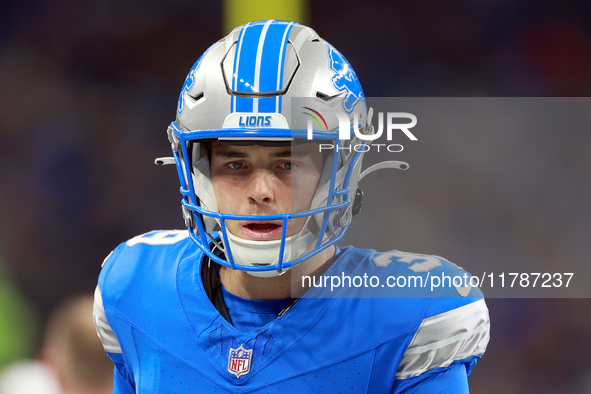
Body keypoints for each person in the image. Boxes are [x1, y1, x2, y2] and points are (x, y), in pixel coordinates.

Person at [94, 20, 489, 393]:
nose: (261, 191)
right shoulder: (135, 288)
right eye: (235, 164)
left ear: (341, 171)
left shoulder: (409, 312)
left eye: (287, 163)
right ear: (198, 171)